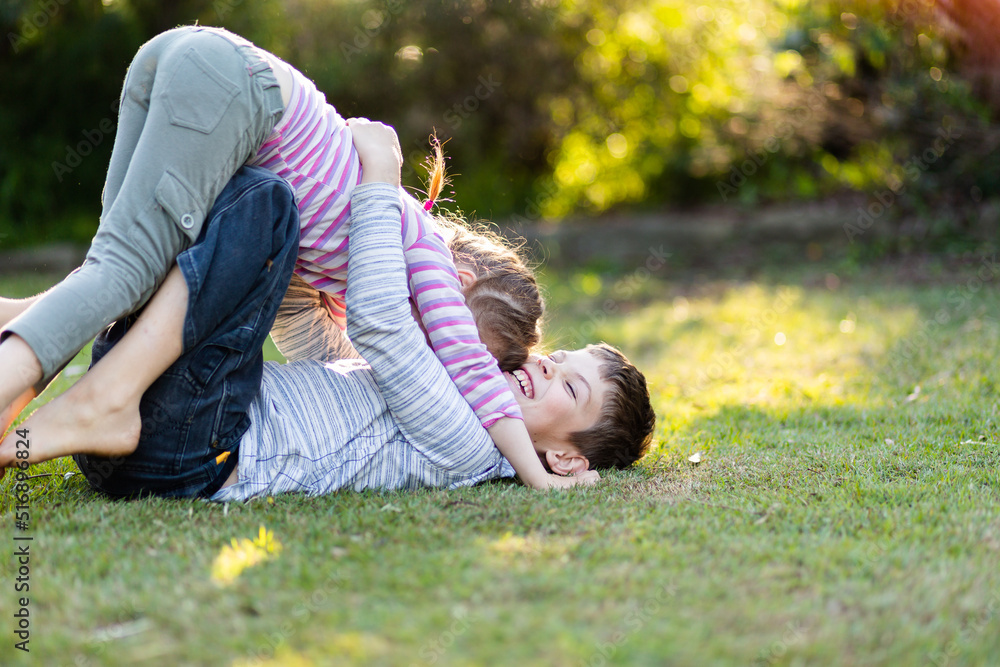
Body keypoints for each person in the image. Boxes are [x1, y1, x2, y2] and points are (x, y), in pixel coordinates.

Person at [0, 26, 567, 489]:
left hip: (184, 56)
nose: (437, 359)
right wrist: (534, 475)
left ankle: (15, 319)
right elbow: (458, 361)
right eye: (442, 337)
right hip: (236, 85)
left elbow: (316, 334)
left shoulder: (335, 252)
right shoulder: (421, 248)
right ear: (459, 281)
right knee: (127, 267)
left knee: (130, 266)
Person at [0, 122, 656, 499]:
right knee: (262, 203)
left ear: (569, 459)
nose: (543, 368)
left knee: (266, 205)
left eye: (569, 386)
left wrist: (376, 179)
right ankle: (54, 334)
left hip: (196, 449)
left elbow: (381, 323)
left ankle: (62, 351)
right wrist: (317, 258)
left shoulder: (467, 442)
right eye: (557, 359)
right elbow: (302, 326)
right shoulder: (433, 394)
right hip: (166, 415)